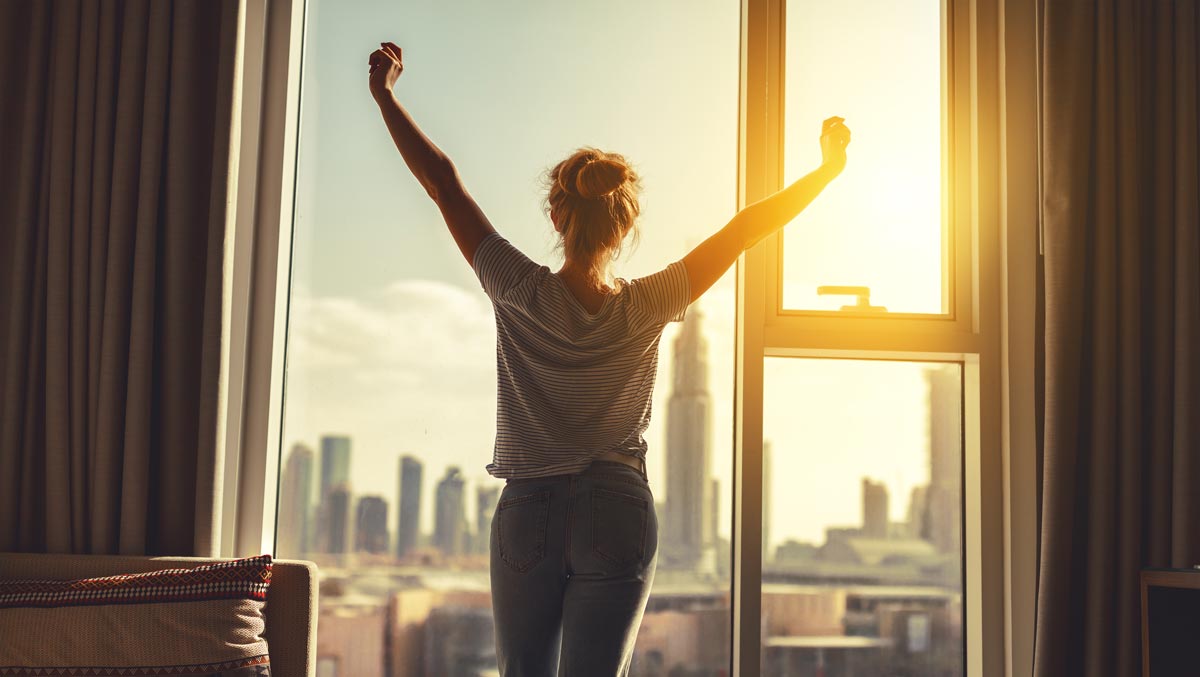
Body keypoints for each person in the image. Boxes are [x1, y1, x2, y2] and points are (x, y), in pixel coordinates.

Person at [368, 41, 850, 677]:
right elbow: (743, 230)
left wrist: (385, 96)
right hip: (615, 504)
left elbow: (444, 185)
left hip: (528, 507)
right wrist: (825, 171)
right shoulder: (649, 303)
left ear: (556, 215)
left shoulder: (516, 286)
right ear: (624, 228)